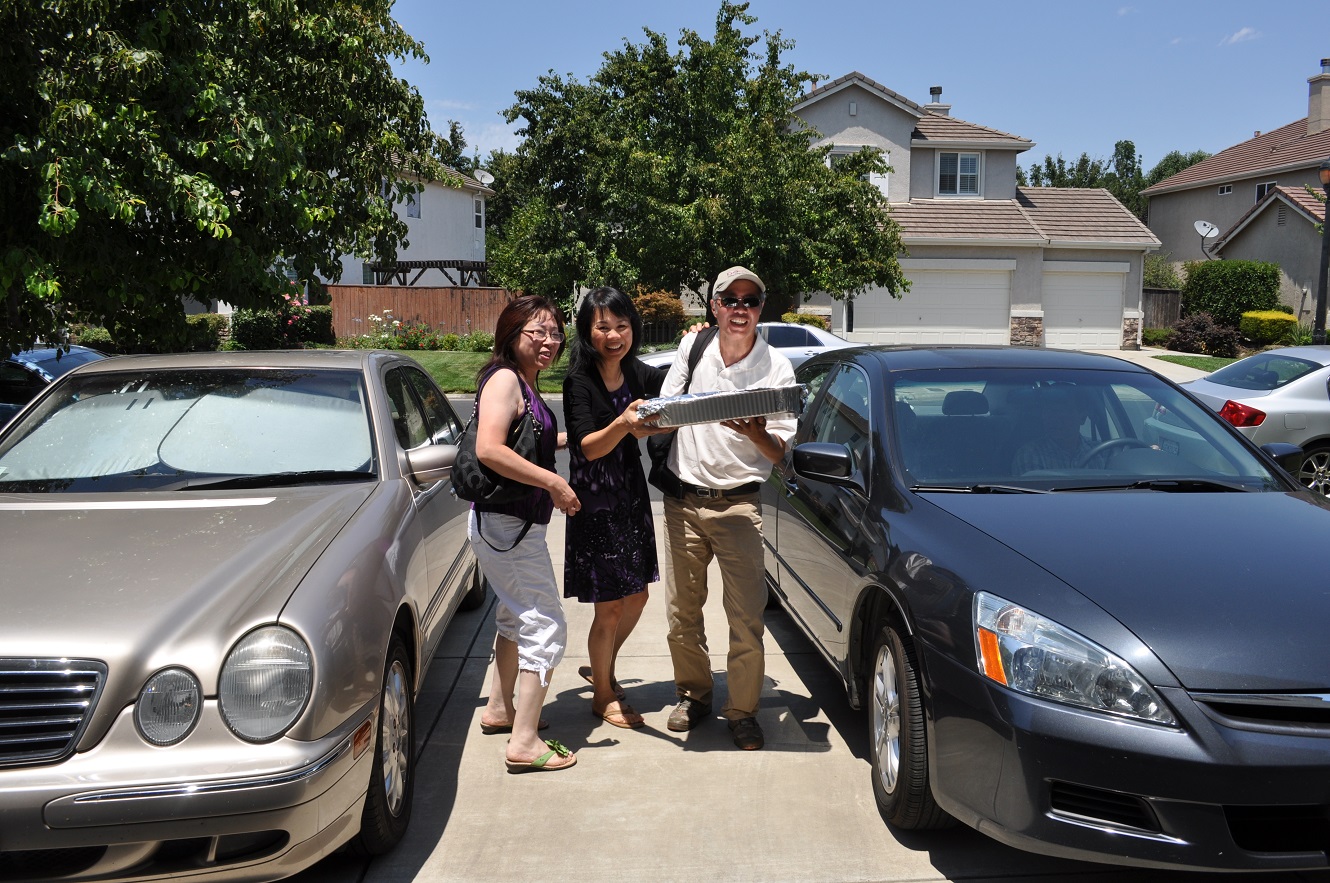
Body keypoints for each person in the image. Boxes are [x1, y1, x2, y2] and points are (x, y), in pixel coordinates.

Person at [657, 266, 796, 750]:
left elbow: (780, 453)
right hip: (683, 500)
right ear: (715, 306)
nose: (740, 308)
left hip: (739, 504)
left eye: (750, 300)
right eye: (730, 299)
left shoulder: (776, 368)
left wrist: (757, 434)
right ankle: (693, 696)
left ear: (761, 308)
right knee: (682, 612)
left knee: (746, 616)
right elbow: (665, 412)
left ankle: (742, 711)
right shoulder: (692, 348)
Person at [470, 294, 581, 773]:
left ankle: (500, 709)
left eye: (555, 332)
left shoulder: (524, 381)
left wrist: (572, 440)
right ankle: (525, 742)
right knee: (546, 625)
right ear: (512, 333)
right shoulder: (504, 379)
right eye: (537, 332)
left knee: (515, 617)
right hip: (507, 525)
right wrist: (554, 482)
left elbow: (525, 440)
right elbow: (490, 449)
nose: (548, 341)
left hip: (509, 525)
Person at [562, 287, 670, 729]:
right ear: (587, 331)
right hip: (595, 502)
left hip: (630, 495)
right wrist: (624, 423)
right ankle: (602, 695)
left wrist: (696, 341)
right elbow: (587, 447)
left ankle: (601, 666)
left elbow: (679, 392)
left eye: (622, 326)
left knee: (638, 596)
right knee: (608, 606)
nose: (614, 336)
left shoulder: (638, 373)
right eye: (603, 327)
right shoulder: (578, 381)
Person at [1010, 385, 1094, 473]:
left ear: (1083, 417)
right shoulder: (1030, 455)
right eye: (1049, 410)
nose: (1054, 418)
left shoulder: (1100, 453)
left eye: (1063, 411)